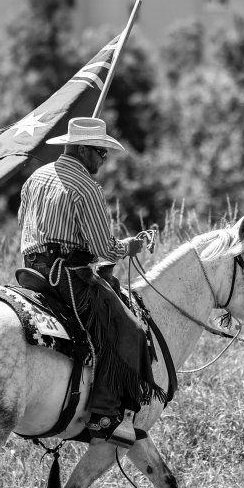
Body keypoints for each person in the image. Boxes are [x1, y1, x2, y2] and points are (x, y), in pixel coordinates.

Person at [18, 117, 157, 448]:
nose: (102, 160)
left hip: (32, 271)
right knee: (130, 329)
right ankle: (106, 416)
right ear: (81, 148)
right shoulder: (85, 187)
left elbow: (24, 225)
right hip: (68, 275)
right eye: (100, 151)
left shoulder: (36, 177)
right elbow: (104, 249)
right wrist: (133, 245)